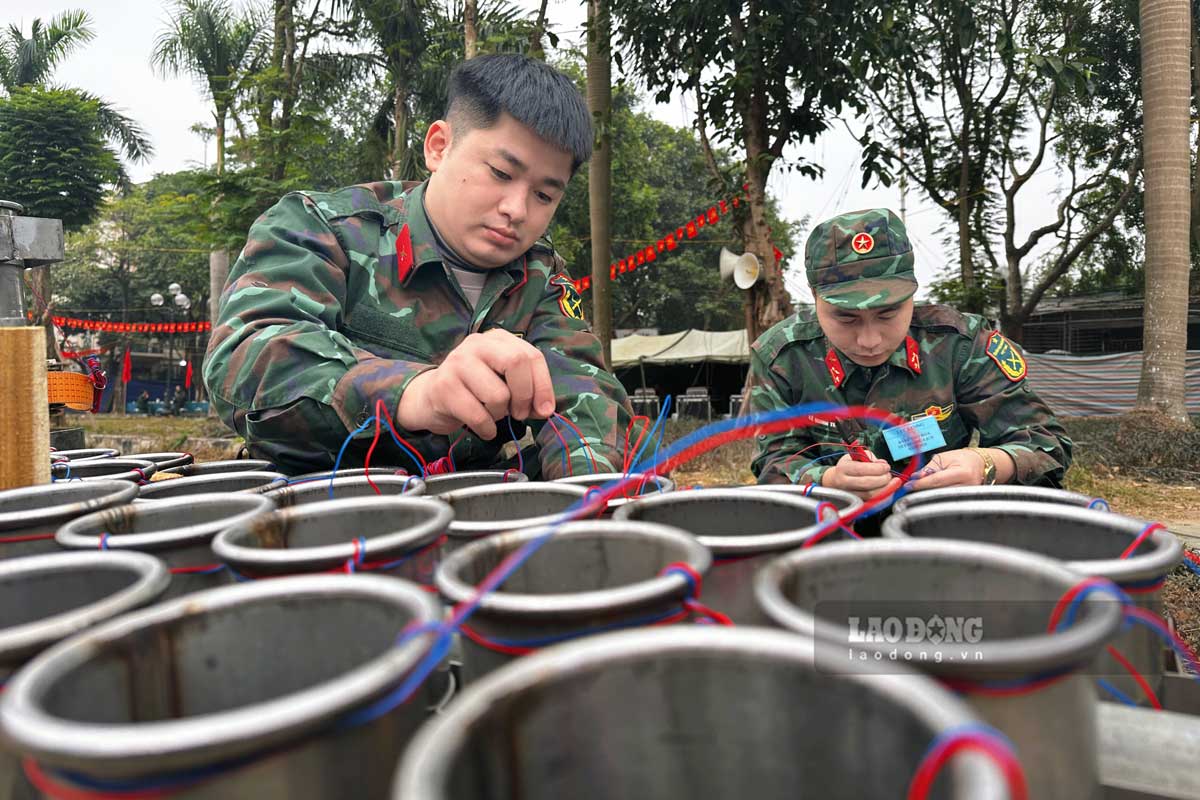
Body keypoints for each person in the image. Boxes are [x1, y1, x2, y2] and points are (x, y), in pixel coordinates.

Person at [203, 54, 631, 476]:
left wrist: (587, 490)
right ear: (439, 147)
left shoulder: (540, 275)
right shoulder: (322, 229)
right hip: (313, 506)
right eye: (501, 173)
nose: (517, 210)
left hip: (472, 513)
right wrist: (414, 392)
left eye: (544, 195)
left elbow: (583, 390)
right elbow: (244, 355)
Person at [747, 208, 1072, 500]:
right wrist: (827, 479)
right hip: (830, 528)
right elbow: (774, 463)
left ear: (912, 292)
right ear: (815, 297)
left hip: (939, 525)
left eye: (888, 314)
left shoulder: (961, 346)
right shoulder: (783, 357)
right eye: (846, 317)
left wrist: (985, 463)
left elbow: (1046, 443)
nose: (869, 340)